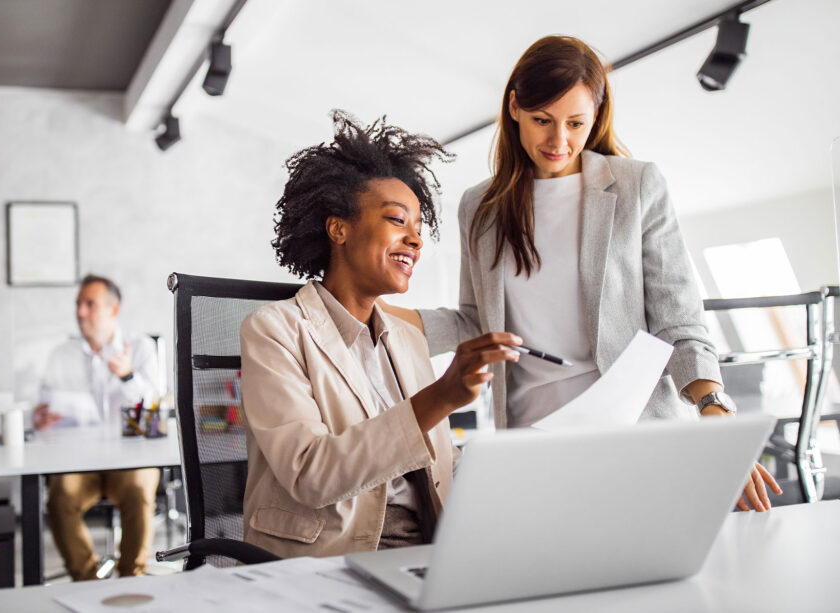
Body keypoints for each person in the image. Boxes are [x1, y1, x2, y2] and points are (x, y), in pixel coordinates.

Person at [381, 35, 781, 513]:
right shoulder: (480, 207)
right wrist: (371, 312)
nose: (559, 141)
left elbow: (678, 321)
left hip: (635, 437)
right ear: (514, 107)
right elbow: (475, 323)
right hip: (533, 443)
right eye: (542, 120)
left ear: (596, 115)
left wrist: (715, 409)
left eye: (575, 123)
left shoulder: (637, 186)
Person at [239, 111, 521, 559]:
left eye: (419, 228)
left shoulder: (407, 338)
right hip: (334, 557)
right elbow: (311, 474)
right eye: (397, 220)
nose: (416, 240)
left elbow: (438, 463)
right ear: (339, 229)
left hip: (427, 549)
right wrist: (442, 396)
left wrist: (513, 477)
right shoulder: (274, 331)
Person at [33, 274, 163, 580]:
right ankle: (86, 580)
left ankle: (132, 577)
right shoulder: (61, 355)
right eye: (78, 304)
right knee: (60, 497)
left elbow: (155, 408)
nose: (80, 312)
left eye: (89, 304)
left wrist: (127, 375)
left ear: (113, 309)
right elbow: (41, 406)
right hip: (79, 462)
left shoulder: (140, 348)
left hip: (131, 459)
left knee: (139, 489)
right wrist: (38, 418)